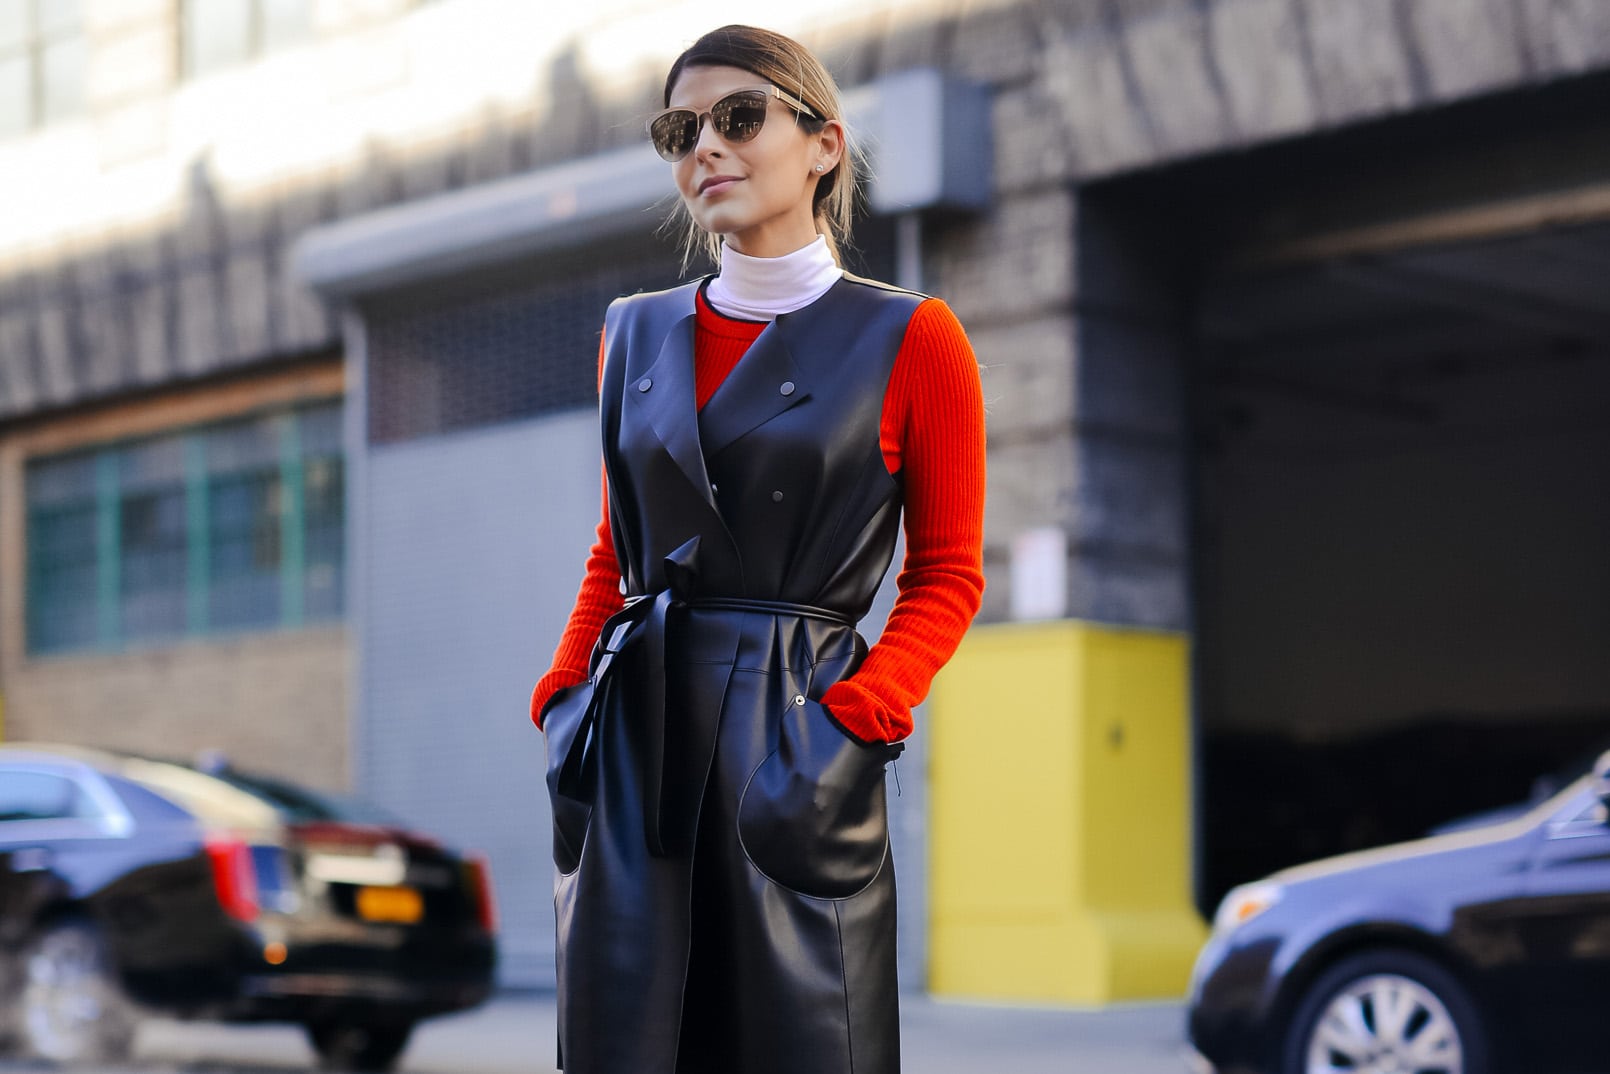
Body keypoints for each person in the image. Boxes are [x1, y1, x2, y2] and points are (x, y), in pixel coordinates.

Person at [529, 24, 986, 1074]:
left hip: (796, 734)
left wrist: (851, 727)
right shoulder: (631, 335)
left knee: (805, 1043)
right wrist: (563, 703)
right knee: (625, 1046)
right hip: (635, 733)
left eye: (739, 118)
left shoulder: (911, 339)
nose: (706, 149)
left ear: (823, 144)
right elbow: (616, 550)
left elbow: (948, 574)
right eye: (680, 129)